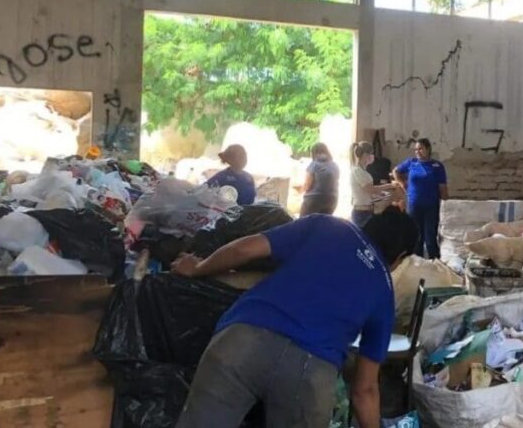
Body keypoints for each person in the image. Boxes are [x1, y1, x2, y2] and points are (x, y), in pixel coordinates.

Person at [171, 209, 419, 428]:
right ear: (400, 256)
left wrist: (197, 268)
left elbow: (243, 249)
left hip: (241, 342)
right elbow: (364, 390)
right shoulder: (384, 292)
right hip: (309, 374)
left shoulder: (326, 226)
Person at [395, 138, 448, 258]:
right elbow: (396, 171)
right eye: (415, 150)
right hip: (414, 206)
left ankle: (436, 266)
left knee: (430, 240)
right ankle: (417, 266)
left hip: (431, 207)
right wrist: (403, 184)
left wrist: (446, 203)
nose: (417, 152)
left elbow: (443, 188)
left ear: (428, 149)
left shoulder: (437, 166)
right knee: (416, 239)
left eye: (420, 149)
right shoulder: (411, 163)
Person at [350, 142, 398, 227]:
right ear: (365, 155)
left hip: (367, 211)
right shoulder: (358, 171)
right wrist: (389, 185)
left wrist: (380, 194)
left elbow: (368, 192)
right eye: (371, 154)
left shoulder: (364, 172)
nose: (373, 157)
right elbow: (370, 189)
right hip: (361, 213)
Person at [299, 143, 339, 216]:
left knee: (303, 223)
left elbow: (307, 185)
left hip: (314, 199)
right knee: (323, 224)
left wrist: (300, 190)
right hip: (332, 200)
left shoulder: (314, 164)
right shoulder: (334, 165)